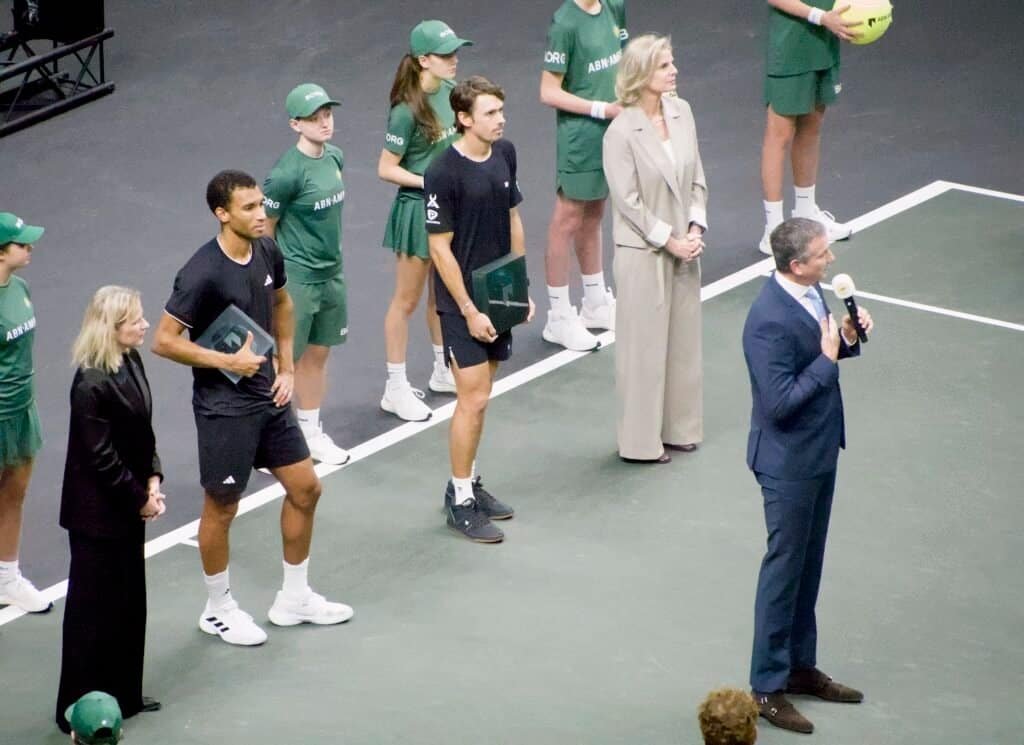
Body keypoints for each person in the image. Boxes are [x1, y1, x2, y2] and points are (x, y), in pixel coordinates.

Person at [152, 170, 352, 647]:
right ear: (222, 214)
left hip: (268, 395)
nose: (261, 214)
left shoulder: (266, 249)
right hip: (224, 408)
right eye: (249, 208)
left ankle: (294, 599)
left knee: (306, 489)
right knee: (222, 507)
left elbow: (282, 304)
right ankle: (218, 609)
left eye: (261, 204)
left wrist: (287, 366)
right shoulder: (201, 272)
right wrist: (228, 362)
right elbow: (163, 340)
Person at [743, 217, 873, 733]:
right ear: (796, 264)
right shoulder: (766, 320)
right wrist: (827, 358)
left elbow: (826, 349)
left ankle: (799, 666)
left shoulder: (812, 292)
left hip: (819, 452)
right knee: (784, 572)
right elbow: (779, 404)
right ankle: (766, 686)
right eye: (822, 254)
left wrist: (846, 336)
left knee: (808, 567)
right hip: (787, 465)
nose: (830, 259)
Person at [425, 76, 533, 543]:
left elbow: (513, 219)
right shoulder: (442, 172)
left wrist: (520, 287)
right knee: (472, 397)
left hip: (498, 293)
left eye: (500, 111)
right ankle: (461, 500)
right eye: (490, 113)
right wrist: (469, 309)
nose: (500, 119)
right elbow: (439, 248)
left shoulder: (505, 153)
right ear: (464, 118)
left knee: (483, 394)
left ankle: (468, 480)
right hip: (461, 303)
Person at [56, 286, 164, 732]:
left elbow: (143, 432)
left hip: (128, 507)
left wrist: (153, 477)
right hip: (97, 517)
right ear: (113, 328)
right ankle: (75, 709)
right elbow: (101, 458)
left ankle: (125, 696)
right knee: (91, 614)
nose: (144, 325)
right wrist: (141, 499)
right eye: (135, 321)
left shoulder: (131, 361)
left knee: (129, 604)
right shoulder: (90, 383)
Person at [602, 35, 707, 464]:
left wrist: (695, 227)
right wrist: (671, 240)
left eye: (672, 62)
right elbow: (628, 203)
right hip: (643, 253)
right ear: (642, 73)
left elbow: (697, 177)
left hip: (684, 248)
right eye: (665, 65)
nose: (674, 71)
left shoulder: (683, 113)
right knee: (642, 351)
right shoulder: (620, 132)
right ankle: (640, 443)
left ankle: (679, 429)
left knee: (683, 344)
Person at [378, 20, 474, 422]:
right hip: (417, 210)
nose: (454, 59)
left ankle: (441, 368)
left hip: (448, 207)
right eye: (445, 54)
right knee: (407, 300)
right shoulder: (405, 111)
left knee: (443, 294)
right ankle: (395, 387)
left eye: (455, 52)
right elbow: (386, 168)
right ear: (423, 60)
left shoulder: (452, 92)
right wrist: (429, 181)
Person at [262, 83, 350, 465]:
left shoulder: (335, 157)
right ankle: (270, 446)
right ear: (295, 124)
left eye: (327, 115)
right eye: (314, 118)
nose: (324, 123)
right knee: (282, 362)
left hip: (332, 274)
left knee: (317, 355)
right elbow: (265, 229)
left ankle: (310, 433)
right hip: (298, 279)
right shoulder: (285, 175)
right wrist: (273, 281)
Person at [539, 0, 628, 351]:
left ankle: (595, 303)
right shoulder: (565, 23)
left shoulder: (614, 6)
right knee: (567, 218)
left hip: (612, 131)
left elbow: (622, 62)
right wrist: (601, 108)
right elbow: (548, 91)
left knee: (594, 215)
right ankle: (559, 316)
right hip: (580, 136)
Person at [758, 0, 860, 255]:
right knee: (779, 135)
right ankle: (773, 230)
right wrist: (820, 16)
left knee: (811, 128)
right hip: (791, 45)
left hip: (824, 42)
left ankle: (806, 216)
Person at [0, 211, 50, 614]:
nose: (30, 247)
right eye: (22, 243)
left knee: (14, 494)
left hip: (22, 410)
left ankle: (7, 579)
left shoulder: (21, 288)